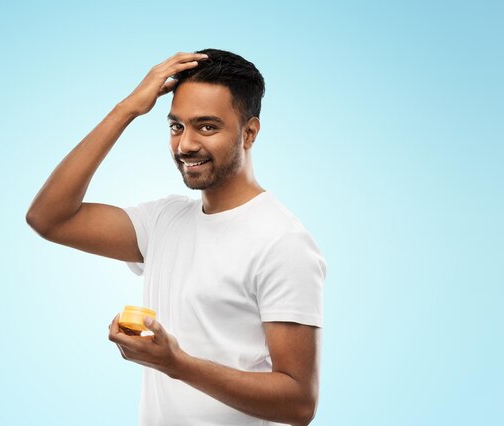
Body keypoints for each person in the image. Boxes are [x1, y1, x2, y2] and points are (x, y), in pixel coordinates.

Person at [26, 48, 326, 426]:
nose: (185, 145)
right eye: (176, 126)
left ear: (249, 133)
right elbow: (48, 217)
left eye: (207, 127)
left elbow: (298, 403)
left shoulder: (282, 242)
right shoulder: (165, 219)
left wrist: (176, 364)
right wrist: (127, 110)